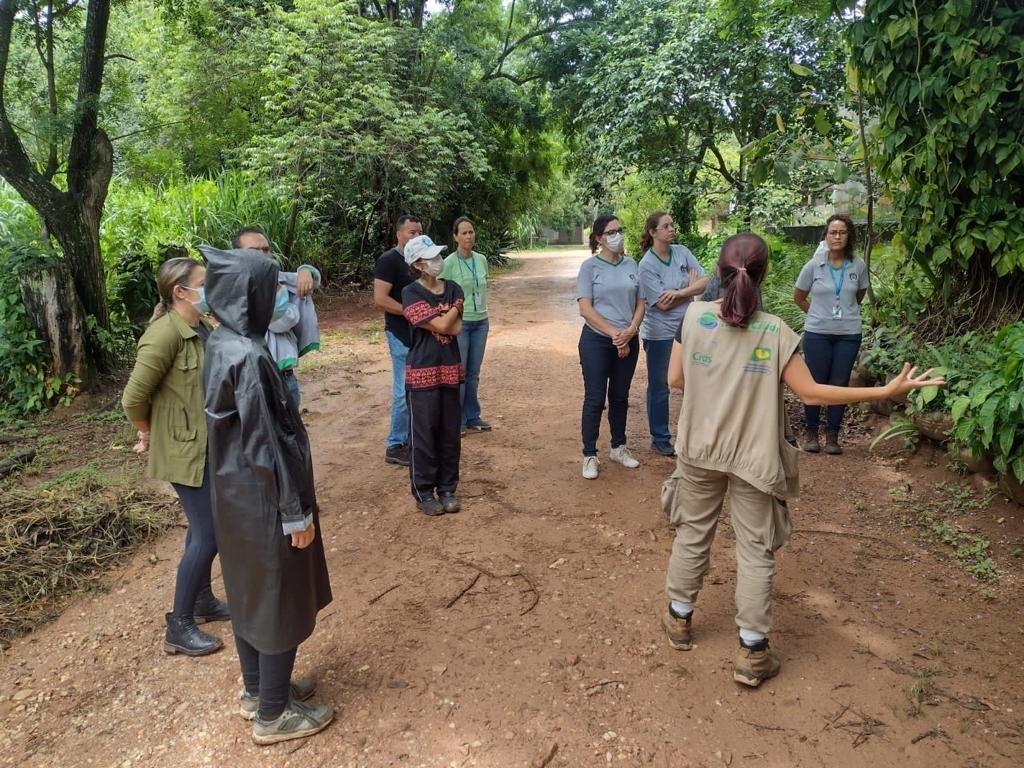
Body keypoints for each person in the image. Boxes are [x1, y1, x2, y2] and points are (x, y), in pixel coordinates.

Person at [661, 233, 943, 688]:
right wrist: (885, 391)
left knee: (693, 532)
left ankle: (679, 621)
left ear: (716, 270)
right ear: (764, 274)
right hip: (755, 455)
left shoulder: (692, 317)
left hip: (699, 449)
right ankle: (752, 653)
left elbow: (675, 379)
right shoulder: (776, 332)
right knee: (755, 549)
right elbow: (812, 393)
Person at [199, 245, 334, 745]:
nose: (274, 298)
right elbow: (266, 443)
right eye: (266, 289)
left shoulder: (220, 342)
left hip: (233, 494)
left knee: (249, 591)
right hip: (264, 499)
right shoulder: (251, 357)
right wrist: (294, 514)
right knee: (278, 595)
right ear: (248, 295)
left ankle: (259, 690)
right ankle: (273, 716)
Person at [122, 257, 229, 657]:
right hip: (184, 450)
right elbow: (133, 398)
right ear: (180, 291)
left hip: (205, 444)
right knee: (210, 532)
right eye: (205, 283)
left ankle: (202, 600)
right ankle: (179, 624)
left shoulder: (200, 327)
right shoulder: (163, 335)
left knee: (203, 527)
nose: (211, 289)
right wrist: (147, 430)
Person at [793, 214, 870, 455]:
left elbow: (858, 296)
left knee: (840, 383)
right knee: (814, 382)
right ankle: (811, 433)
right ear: (825, 236)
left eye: (842, 232)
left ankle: (833, 435)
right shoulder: (813, 265)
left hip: (848, 334)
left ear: (849, 236)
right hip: (817, 333)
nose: (837, 236)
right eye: (832, 232)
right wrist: (817, 314)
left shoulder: (858, 266)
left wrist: (842, 313)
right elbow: (798, 297)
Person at [576, 214, 645, 480]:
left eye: (620, 230)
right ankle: (589, 454)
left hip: (628, 338)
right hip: (597, 340)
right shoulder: (590, 267)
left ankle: (619, 447)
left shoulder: (631, 264)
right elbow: (585, 308)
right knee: (595, 398)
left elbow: (641, 302)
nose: (617, 235)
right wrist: (615, 334)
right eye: (611, 232)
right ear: (598, 238)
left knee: (620, 396)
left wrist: (631, 330)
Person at [401, 235, 465, 515]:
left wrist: (442, 320)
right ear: (417, 264)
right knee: (424, 433)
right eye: (431, 257)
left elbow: (455, 329)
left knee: (450, 431)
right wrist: (450, 313)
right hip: (422, 371)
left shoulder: (453, 287)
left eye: (437, 255)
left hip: (449, 369)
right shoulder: (410, 293)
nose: (437, 261)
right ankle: (424, 491)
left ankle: (447, 487)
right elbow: (442, 326)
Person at [637, 211, 708, 456]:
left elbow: (704, 281)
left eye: (672, 224)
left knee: (693, 381)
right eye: (665, 226)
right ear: (653, 232)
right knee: (661, 385)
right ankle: (660, 437)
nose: (671, 229)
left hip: (688, 328)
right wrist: (689, 288)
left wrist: (678, 292)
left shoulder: (682, 252)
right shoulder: (646, 265)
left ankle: (695, 433)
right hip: (660, 333)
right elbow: (662, 305)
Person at [232, 227, 321, 410]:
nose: (262, 255)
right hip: (256, 383)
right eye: (254, 251)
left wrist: (306, 270)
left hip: (286, 379)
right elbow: (281, 322)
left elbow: (312, 280)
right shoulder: (236, 291)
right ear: (237, 256)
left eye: (265, 249)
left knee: (291, 438)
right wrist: (288, 304)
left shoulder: (277, 278)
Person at [374, 215, 424, 467]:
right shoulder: (389, 261)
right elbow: (381, 299)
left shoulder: (419, 261)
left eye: (419, 233)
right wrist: (410, 311)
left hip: (420, 335)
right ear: (399, 234)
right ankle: (395, 444)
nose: (415, 237)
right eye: (411, 233)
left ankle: (410, 439)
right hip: (400, 334)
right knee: (402, 390)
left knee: (416, 389)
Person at [440, 216, 491, 434]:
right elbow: (440, 290)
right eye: (464, 232)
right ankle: (456, 420)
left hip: (481, 321)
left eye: (471, 232)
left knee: (473, 373)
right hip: (461, 323)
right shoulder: (449, 263)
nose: (469, 236)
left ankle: (473, 416)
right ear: (455, 237)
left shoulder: (481, 259)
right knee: (458, 372)